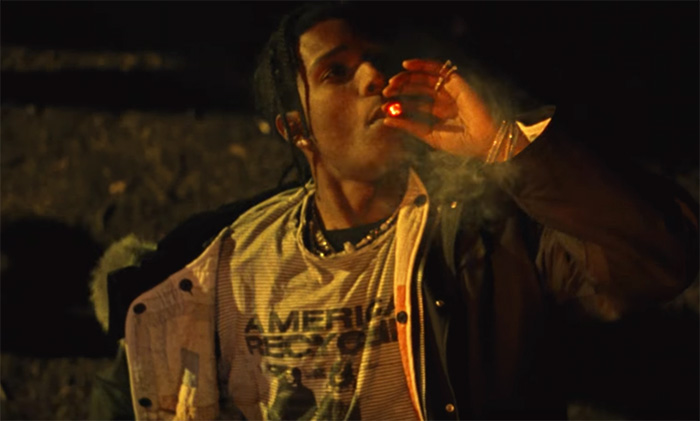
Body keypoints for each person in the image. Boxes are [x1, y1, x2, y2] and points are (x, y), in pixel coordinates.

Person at [89, 3, 698, 420]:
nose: (373, 78)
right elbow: (133, 383)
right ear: (296, 129)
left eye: (378, 60)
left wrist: (503, 148)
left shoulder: (489, 236)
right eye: (336, 71)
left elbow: (661, 259)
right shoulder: (223, 259)